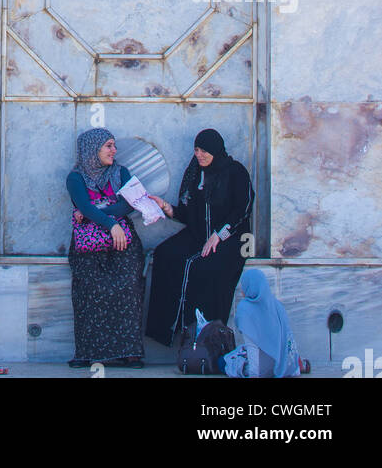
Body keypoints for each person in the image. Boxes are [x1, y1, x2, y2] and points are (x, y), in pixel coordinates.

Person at [146, 127, 254, 346]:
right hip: (198, 234)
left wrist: (219, 235)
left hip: (232, 238)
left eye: (205, 150)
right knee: (165, 254)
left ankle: (206, 338)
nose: (200, 155)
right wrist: (167, 208)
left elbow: (243, 208)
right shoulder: (195, 173)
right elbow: (188, 214)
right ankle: (166, 329)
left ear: (216, 150)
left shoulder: (235, 172)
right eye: (196, 150)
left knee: (204, 268)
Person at [66, 126, 145, 368]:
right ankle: (87, 352)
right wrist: (110, 223)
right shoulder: (76, 177)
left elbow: (132, 202)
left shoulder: (121, 173)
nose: (114, 150)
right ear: (92, 149)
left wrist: (98, 214)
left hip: (123, 242)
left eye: (114, 145)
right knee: (88, 291)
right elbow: (84, 206)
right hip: (89, 244)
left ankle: (130, 352)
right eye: (108, 146)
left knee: (129, 288)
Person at [221, 269, 304, 378]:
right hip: (284, 366)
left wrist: (254, 375)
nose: (242, 289)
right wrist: (293, 368)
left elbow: (252, 348)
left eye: (243, 284)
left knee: (222, 362)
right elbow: (288, 338)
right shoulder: (277, 305)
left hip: (261, 370)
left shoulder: (245, 309)